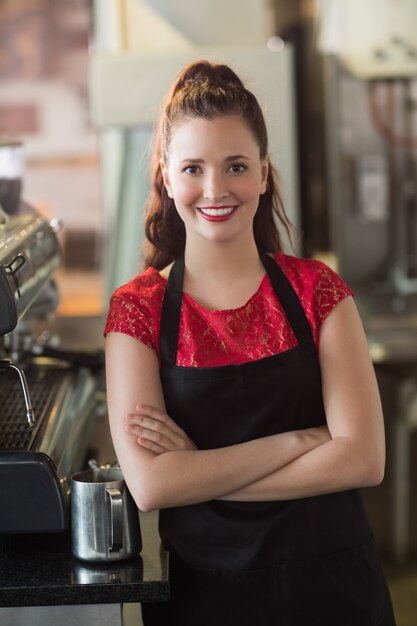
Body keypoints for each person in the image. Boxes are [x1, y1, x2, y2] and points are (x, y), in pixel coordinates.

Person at [104, 60, 396, 625]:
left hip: (335, 592)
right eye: (193, 167)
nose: (216, 190)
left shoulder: (319, 291)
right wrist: (298, 443)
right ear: (167, 176)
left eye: (235, 166)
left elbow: (362, 459)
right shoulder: (137, 309)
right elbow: (152, 483)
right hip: (209, 599)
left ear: (263, 173)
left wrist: (202, 474)